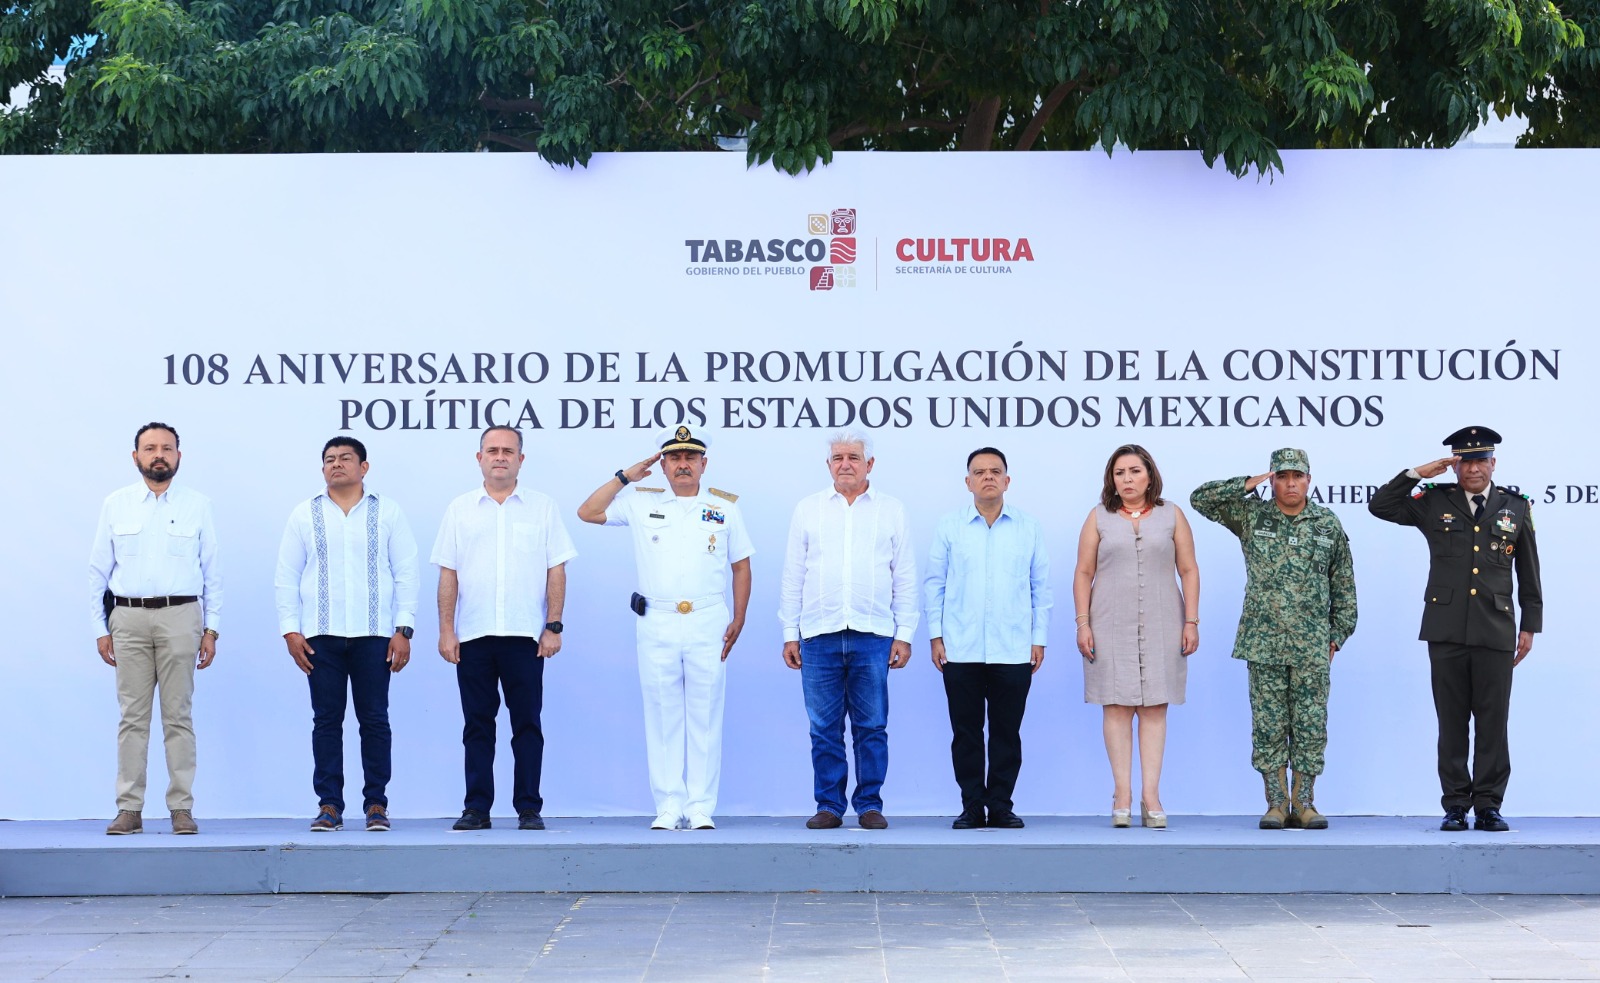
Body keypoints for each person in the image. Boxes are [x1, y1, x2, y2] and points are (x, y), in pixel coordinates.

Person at [576, 424, 753, 831]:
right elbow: (588, 512)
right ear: (664, 464)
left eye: (691, 457)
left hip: (708, 619)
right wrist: (626, 476)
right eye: (674, 458)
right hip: (656, 620)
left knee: (706, 713)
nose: (683, 465)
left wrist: (739, 616)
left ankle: (701, 806)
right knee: (662, 713)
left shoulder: (725, 507)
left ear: (704, 464)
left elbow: (741, 565)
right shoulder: (640, 502)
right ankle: (669, 805)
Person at [1367, 426, 1542, 833]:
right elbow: (1380, 506)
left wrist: (1530, 624)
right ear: (1455, 465)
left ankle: (1488, 805)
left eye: (1481, 460)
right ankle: (1455, 805)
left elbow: (1529, 571)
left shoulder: (1515, 507)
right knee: (1451, 722)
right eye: (1465, 461)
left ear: (1493, 464)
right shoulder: (1433, 502)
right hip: (1445, 630)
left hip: (1496, 629)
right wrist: (1417, 473)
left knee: (1493, 722)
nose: (1474, 469)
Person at [1190, 448, 1356, 830]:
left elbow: (1344, 588)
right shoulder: (1253, 515)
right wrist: (1247, 484)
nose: (1291, 483)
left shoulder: (1326, 524)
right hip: (1262, 643)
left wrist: (1335, 638)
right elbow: (1201, 499)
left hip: (1312, 646)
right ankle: (1276, 804)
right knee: (1268, 725)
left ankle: (1306, 803)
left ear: (1309, 480)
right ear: (1273, 479)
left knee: (1311, 725)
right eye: (1282, 476)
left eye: (1298, 475)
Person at [432, 426, 576, 831]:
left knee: (527, 724)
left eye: (508, 451)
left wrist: (553, 626)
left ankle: (528, 807)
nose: (500, 457)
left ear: (520, 459)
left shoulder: (542, 507)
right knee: (477, 725)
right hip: (474, 635)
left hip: (526, 636)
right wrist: (446, 629)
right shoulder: (460, 508)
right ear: (479, 458)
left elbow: (556, 569)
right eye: (492, 450)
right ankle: (477, 808)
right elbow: (448, 572)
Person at [275, 437, 419, 833]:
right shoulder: (305, 514)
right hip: (320, 637)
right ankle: (329, 805)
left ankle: (376, 803)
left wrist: (403, 629)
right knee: (326, 721)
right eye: (329, 460)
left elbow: (407, 572)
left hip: (374, 634)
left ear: (364, 467)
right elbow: (286, 577)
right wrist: (290, 631)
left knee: (374, 720)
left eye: (344, 459)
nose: (336, 465)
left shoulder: (387, 512)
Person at [88, 422, 223, 836]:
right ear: (136, 457)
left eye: (167, 448)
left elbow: (211, 572)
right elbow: (98, 570)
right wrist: (100, 627)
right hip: (127, 618)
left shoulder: (198, 505)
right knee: (132, 717)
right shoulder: (116, 503)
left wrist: (211, 630)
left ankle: (181, 807)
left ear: (179, 456)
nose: (158, 454)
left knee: (178, 715)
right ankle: (129, 808)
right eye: (150, 448)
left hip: (182, 617)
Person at [779, 429, 917, 830]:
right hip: (818, 635)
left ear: (869, 464)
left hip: (872, 634)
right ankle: (829, 805)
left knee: (871, 725)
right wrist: (790, 631)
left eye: (853, 458)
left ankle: (870, 804)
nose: (845, 464)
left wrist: (904, 633)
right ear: (828, 465)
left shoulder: (891, 510)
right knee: (823, 728)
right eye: (838, 458)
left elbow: (904, 575)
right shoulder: (808, 509)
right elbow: (793, 575)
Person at [924, 447, 1051, 830]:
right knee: (965, 733)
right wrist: (936, 636)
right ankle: (971, 806)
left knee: (1006, 733)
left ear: (1007, 481)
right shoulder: (950, 527)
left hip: (1012, 648)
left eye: (995, 471)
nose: (988, 477)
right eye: (979, 472)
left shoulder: (1028, 527)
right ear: (968, 482)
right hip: (960, 647)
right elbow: (935, 585)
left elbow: (1039, 588)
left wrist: (1038, 638)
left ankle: (1000, 806)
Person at [1073, 444, 1200, 829]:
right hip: (1109, 622)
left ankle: (1151, 795)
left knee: (1154, 707)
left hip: (1164, 620)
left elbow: (1189, 570)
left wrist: (1191, 621)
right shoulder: (1098, 518)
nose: (1127, 479)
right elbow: (1083, 573)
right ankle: (1122, 795)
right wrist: (1083, 622)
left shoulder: (1172, 515)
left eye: (1134, 471)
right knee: (1115, 706)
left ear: (1149, 475)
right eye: (1119, 473)